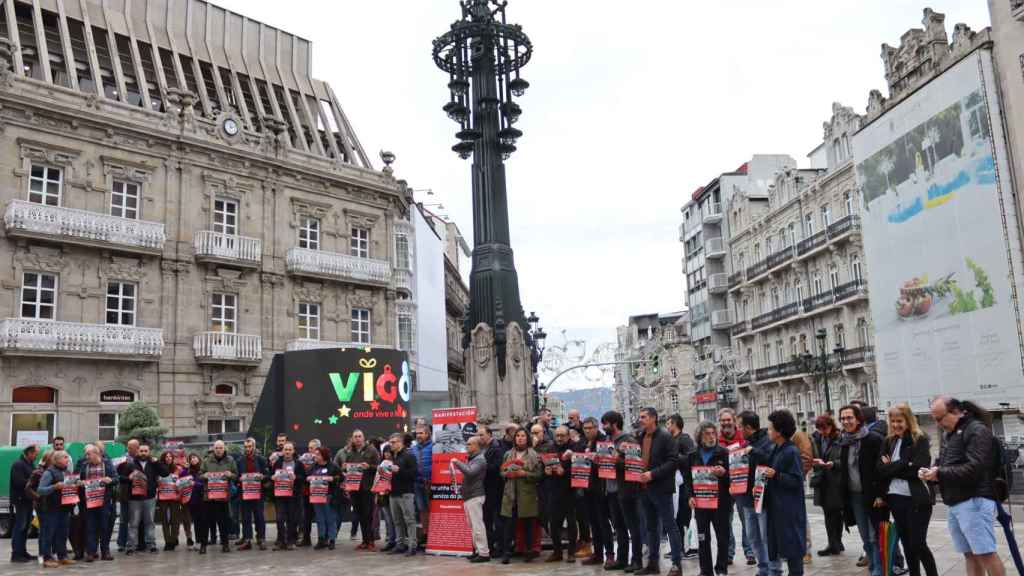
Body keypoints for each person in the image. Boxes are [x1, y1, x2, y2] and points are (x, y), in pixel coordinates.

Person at [922, 397, 1006, 576]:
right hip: (956, 502)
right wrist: (933, 472)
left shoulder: (976, 430)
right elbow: (946, 464)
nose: (938, 423)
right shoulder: (950, 433)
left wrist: (940, 473)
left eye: (939, 418)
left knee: (985, 554)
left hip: (974, 500)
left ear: (955, 412)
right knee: (970, 555)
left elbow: (975, 468)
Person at [877, 404, 938, 576]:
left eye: (900, 421)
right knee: (906, 543)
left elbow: (919, 469)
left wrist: (894, 466)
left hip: (916, 498)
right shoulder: (888, 441)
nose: (896, 424)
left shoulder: (920, 439)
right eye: (893, 421)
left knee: (918, 543)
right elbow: (880, 470)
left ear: (908, 420)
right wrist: (905, 463)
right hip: (895, 498)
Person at [635, 407, 682, 576]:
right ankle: (653, 564)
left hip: (661, 489)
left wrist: (653, 474)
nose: (641, 419)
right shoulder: (640, 436)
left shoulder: (665, 437)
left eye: (644, 417)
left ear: (654, 418)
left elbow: (673, 462)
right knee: (651, 528)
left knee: (670, 526)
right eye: (640, 417)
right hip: (644, 490)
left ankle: (677, 564)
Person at [838, 404, 884, 576]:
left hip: (872, 495)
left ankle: (878, 570)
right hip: (854, 496)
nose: (846, 421)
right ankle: (874, 567)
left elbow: (880, 470)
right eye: (842, 418)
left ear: (858, 419)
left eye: (849, 417)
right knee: (865, 536)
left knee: (874, 536)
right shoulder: (844, 441)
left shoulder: (872, 439)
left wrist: (880, 494)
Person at [763, 410, 807, 576]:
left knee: (793, 549)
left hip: (789, 509)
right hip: (778, 507)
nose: (768, 432)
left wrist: (776, 475)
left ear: (779, 431)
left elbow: (796, 480)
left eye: (770, 428)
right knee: (783, 547)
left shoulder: (791, 451)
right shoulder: (777, 449)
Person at [602, 410, 644, 572]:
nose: (603, 426)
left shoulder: (628, 440)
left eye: (606, 423)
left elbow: (634, 464)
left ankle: (637, 560)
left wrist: (616, 459)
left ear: (614, 424)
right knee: (618, 527)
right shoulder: (606, 441)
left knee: (632, 526)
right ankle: (622, 558)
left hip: (626, 489)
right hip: (611, 489)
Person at [687, 422, 730, 576]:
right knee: (703, 538)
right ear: (700, 436)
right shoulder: (692, 455)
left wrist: (724, 473)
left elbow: (733, 479)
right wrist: (690, 496)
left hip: (721, 504)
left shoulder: (724, 453)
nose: (711, 437)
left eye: (713, 433)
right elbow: (688, 480)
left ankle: (721, 569)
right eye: (707, 434)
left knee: (722, 538)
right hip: (701, 505)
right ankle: (705, 570)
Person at [735, 411, 775, 576]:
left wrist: (752, 451)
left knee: (766, 536)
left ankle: (773, 569)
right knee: (752, 536)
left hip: (763, 497)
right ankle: (763, 568)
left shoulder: (767, 441)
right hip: (746, 498)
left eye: (739, 426)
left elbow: (770, 459)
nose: (738, 430)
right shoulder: (745, 443)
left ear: (748, 427)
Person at [500, 426, 542, 564]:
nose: (520, 438)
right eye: (518, 436)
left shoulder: (534, 454)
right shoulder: (507, 454)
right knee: (508, 526)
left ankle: (529, 551)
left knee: (528, 525)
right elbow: (501, 472)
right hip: (510, 495)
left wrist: (525, 474)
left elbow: (539, 475)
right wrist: (507, 473)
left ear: (527, 438)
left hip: (527, 495)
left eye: (523, 436)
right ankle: (506, 553)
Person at [576, 417, 613, 568]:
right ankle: (597, 554)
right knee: (593, 523)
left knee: (603, 522)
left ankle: (609, 554)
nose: (588, 431)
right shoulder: (582, 443)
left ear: (597, 427)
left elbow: (608, 465)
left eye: (590, 428)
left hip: (601, 487)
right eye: (585, 428)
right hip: (586, 487)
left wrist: (596, 459)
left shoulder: (603, 441)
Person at [718, 408, 752, 567]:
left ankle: (750, 551)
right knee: (725, 522)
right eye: (723, 420)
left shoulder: (744, 440)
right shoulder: (716, 441)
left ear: (734, 421)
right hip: (724, 487)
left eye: (728, 420)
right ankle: (728, 553)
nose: (726, 423)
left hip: (741, 485)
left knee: (747, 520)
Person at [120, 443, 166, 555]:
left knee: (149, 522)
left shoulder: (153, 463)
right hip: (134, 498)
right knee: (134, 523)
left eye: (146, 451)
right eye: (141, 451)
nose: (143, 453)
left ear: (149, 452)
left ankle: (151, 545)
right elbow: (121, 478)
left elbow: (165, 473)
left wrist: (157, 462)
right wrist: (128, 478)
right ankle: (131, 546)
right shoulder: (130, 464)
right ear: (138, 452)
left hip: (149, 497)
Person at [452, 435, 491, 563]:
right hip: (470, 496)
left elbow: (470, 472)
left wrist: (457, 462)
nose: (467, 446)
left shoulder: (480, 459)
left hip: (475, 496)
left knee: (478, 526)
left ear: (476, 446)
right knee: (473, 526)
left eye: (469, 444)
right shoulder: (473, 458)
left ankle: (484, 553)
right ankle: (478, 551)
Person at [810, 414, 844, 556]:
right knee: (828, 514)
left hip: (836, 480)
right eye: (820, 429)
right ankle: (834, 543)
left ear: (831, 426)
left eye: (825, 428)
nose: (823, 431)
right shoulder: (816, 438)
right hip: (823, 480)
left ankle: (835, 543)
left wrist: (834, 464)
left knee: (836, 514)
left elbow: (844, 459)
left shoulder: (840, 438)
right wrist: (814, 461)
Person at [543, 425, 578, 564]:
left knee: (571, 523)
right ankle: (557, 551)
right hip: (553, 490)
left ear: (568, 436)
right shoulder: (551, 448)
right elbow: (544, 465)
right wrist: (546, 471)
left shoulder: (575, 447)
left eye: (562, 435)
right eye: (557, 435)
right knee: (553, 522)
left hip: (570, 490)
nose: (559, 438)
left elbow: (581, 468)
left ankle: (571, 552)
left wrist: (564, 472)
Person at [37, 450, 76, 567]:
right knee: (49, 534)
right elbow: (40, 490)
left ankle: (62, 556)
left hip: (64, 507)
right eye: (65, 457)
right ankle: (46, 558)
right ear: (57, 460)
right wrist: (54, 486)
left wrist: (76, 484)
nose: (67, 460)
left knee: (63, 533)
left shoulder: (67, 472)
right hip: (51, 508)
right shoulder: (49, 473)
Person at [200, 440, 237, 553]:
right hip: (209, 497)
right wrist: (204, 475)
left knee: (224, 522)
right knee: (205, 522)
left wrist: (231, 475)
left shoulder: (230, 460)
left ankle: (225, 544)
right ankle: (203, 545)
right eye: (217, 448)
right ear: (213, 449)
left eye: (221, 448)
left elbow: (236, 475)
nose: (219, 450)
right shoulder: (206, 461)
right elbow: (199, 475)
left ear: (224, 448)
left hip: (223, 496)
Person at [79, 445, 116, 562]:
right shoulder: (84, 466)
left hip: (104, 501)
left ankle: (105, 552)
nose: (86, 456)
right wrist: (80, 482)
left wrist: (110, 480)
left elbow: (116, 478)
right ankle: (91, 552)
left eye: (88, 454)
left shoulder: (107, 464)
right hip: (90, 501)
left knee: (105, 527)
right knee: (91, 527)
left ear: (96, 454)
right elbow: (79, 479)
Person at [345, 430, 380, 551]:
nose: (358, 439)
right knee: (360, 515)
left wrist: (369, 467)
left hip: (367, 488)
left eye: (360, 436)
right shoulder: (350, 453)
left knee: (368, 515)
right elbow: (348, 469)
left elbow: (379, 468)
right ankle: (364, 541)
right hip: (354, 488)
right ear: (353, 439)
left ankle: (371, 541)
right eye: (355, 437)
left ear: (363, 438)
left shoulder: (372, 450)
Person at [386, 432, 419, 556]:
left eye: (393, 442)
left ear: (400, 442)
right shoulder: (393, 457)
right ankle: (400, 544)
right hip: (393, 492)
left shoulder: (409, 455)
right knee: (397, 521)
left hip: (405, 493)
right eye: (390, 442)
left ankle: (412, 546)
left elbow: (414, 474)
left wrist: (399, 471)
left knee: (409, 520)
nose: (391, 444)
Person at [271, 442, 307, 551]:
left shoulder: (298, 463)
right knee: (279, 519)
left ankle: (290, 541)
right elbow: (271, 475)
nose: (287, 451)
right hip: (280, 495)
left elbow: (304, 478)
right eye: (285, 449)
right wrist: (272, 477)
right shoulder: (278, 462)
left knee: (292, 519)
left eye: (289, 449)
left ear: (293, 451)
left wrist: (296, 477)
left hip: (293, 496)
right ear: (283, 451)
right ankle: (281, 541)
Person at [235, 437, 268, 551]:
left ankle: (261, 538)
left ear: (254, 447)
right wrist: (239, 479)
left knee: (259, 517)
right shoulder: (240, 460)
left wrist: (263, 477)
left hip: (258, 493)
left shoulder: (261, 459)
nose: (247, 449)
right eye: (246, 447)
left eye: (250, 446)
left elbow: (267, 474)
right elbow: (236, 476)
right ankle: (247, 540)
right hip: (244, 493)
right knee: (245, 518)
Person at [480, 424, 506, 558]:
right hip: (486, 490)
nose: (480, 438)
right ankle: (490, 547)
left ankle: (500, 547)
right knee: (487, 521)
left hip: (495, 490)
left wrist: (482, 467)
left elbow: (497, 467)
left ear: (489, 434)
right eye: (478, 435)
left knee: (497, 521)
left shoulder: (496, 448)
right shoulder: (484, 449)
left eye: (482, 435)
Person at [308, 446, 341, 550]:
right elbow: (307, 475)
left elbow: (341, 477)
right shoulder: (314, 466)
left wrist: (332, 478)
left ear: (324, 455)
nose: (315, 456)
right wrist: (308, 478)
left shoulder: (333, 466)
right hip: (316, 495)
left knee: (330, 518)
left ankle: (332, 539)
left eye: (318, 454)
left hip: (329, 496)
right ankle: (321, 539)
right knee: (319, 518)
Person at [10, 444, 38, 563]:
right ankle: (16, 554)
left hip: (27, 500)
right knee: (20, 526)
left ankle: (23, 551)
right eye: (35, 453)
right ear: (29, 453)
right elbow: (18, 482)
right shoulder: (18, 464)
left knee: (26, 527)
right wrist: (33, 480)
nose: (36, 456)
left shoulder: (29, 464)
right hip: (20, 500)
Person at [155, 451, 184, 551]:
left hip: (175, 498)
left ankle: (173, 538)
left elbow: (183, 483)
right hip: (163, 498)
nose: (168, 458)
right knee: (164, 521)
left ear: (172, 458)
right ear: (163, 458)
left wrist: (179, 495)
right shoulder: (158, 469)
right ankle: (168, 542)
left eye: (170, 456)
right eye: (166, 456)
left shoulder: (178, 469)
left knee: (175, 520)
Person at [115, 439, 139, 552]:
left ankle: (137, 542)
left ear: (137, 448)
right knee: (124, 519)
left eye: (131, 447)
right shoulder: (122, 460)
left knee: (137, 520)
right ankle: (121, 542)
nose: (129, 449)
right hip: (125, 493)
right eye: (128, 447)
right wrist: (128, 479)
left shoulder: (141, 459)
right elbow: (117, 476)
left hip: (139, 494)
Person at [413, 424, 433, 549]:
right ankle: (425, 534)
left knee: (432, 509)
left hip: (430, 483)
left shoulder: (434, 447)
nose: (418, 435)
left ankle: (433, 534)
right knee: (422, 510)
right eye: (417, 433)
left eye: (421, 433)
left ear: (427, 434)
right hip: (417, 483)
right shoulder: (413, 448)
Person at [299, 439, 321, 547]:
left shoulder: (321, 461)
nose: (309, 450)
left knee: (320, 517)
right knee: (306, 517)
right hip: (306, 492)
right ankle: (306, 539)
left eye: (311, 448)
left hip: (318, 493)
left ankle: (323, 539)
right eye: (309, 448)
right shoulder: (303, 459)